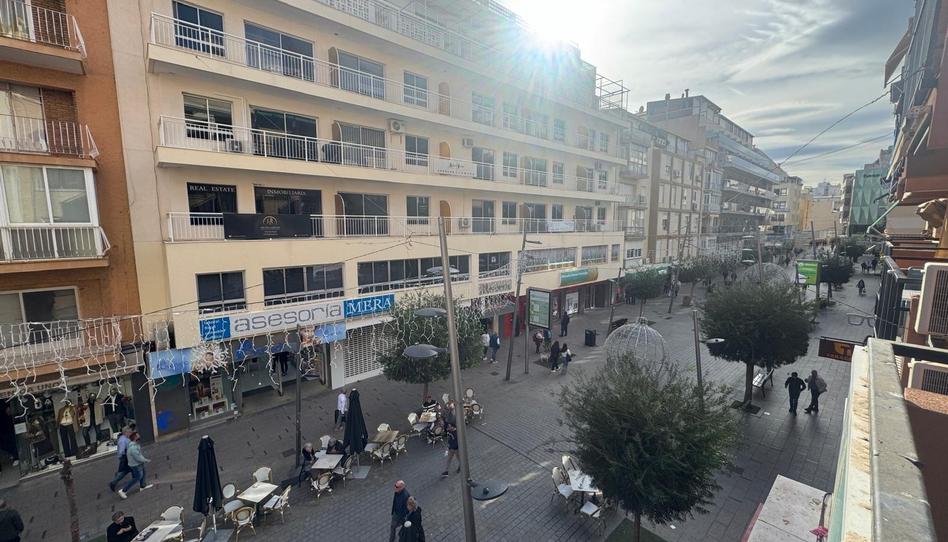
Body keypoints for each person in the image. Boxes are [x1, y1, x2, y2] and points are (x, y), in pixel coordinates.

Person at [117, 432, 153, 499]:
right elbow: (138, 457)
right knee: (137, 478)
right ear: (135, 438)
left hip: (138, 463)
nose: (139, 436)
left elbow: (139, 455)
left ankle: (142, 486)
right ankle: (123, 491)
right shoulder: (133, 448)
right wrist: (146, 460)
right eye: (138, 435)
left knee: (143, 473)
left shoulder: (135, 445)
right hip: (136, 465)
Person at [108, 426, 133, 492]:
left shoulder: (125, 438)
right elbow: (122, 451)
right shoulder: (123, 440)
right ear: (125, 432)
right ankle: (113, 482)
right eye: (129, 432)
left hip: (126, 457)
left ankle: (115, 479)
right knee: (126, 471)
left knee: (126, 470)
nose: (131, 433)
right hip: (125, 458)